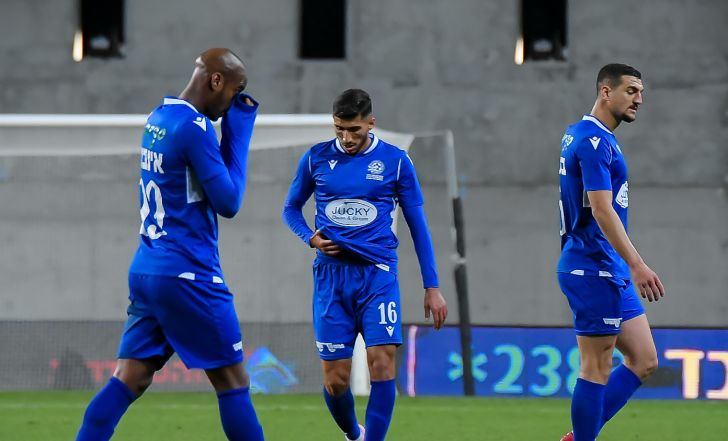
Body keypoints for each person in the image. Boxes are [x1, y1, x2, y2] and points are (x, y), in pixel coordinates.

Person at [75, 48, 265, 441]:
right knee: (233, 381)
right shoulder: (194, 127)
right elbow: (229, 202)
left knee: (130, 377)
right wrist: (240, 133)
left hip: (148, 267)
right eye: (235, 91)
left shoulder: (159, 117)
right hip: (188, 272)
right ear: (216, 80)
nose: (233, 102)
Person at [283, 89, 448, 441]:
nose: (346, 138)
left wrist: (431, 286)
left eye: (354, 130)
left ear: (371, 123)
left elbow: (418, 227)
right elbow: (290, 209)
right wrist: (309, 237)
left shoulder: (396, 161)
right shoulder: (315, 159)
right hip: (331, 278)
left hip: (378, 276)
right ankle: (353, 434)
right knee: (336, 381)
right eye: (339, 129)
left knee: (382, 365)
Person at [557, 64, 666, 441]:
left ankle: (577, 437)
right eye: (631, 91)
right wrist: (637, 264)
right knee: (595, 367)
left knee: (644, 359)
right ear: (606, 91)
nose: (639, 99)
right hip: (591, 267)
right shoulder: (593, 141)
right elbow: (601, 209)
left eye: (641, 92)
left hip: (607, 266)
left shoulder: (585, 134)